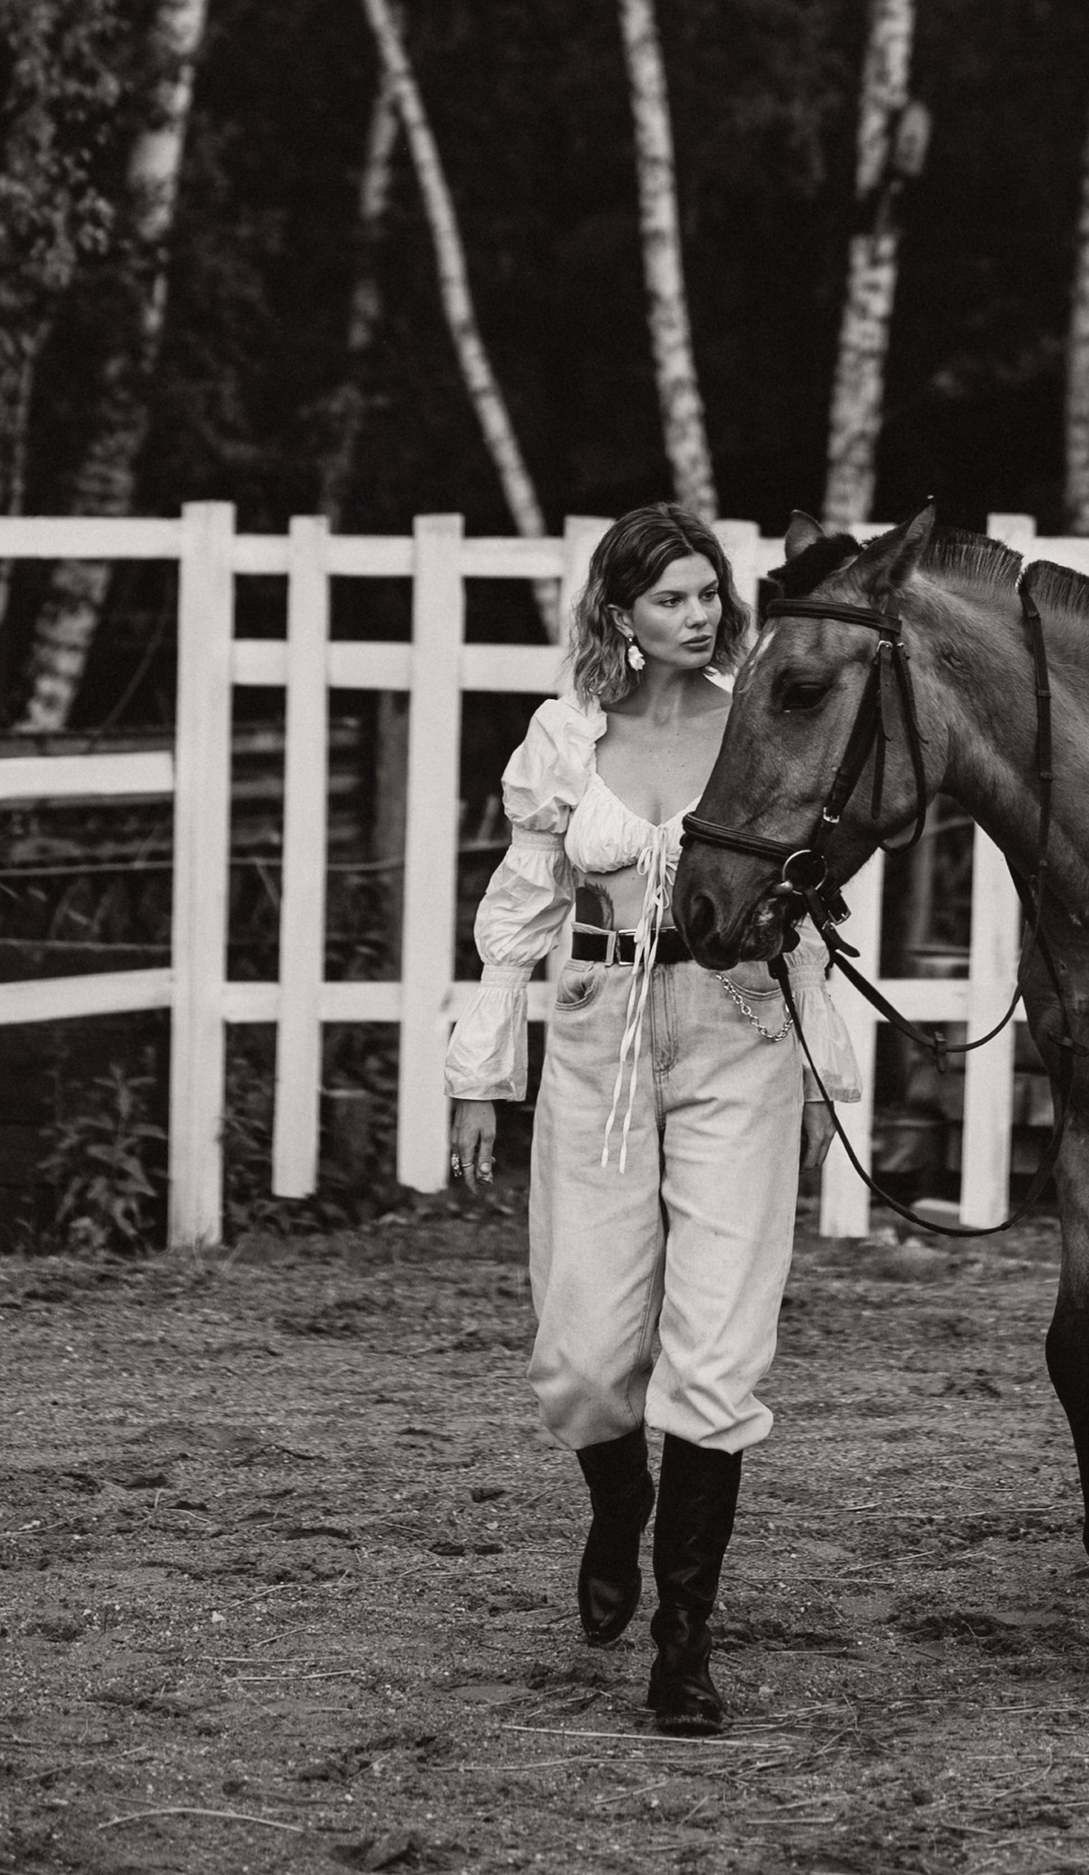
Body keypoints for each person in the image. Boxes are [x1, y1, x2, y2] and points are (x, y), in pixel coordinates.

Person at [446, 504, 855, 1736]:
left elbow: (806, 921)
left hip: (739, 1026)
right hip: (596, 1028)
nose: (696, 613)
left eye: (707, 593)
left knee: (716, 1350)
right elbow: (521, 906)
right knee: (580, 1358)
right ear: (619, 613)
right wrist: (479, 1072)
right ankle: (617, 1502)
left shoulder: (761, 724)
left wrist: (823, 1071)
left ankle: (685, 1640)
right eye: (669, 597)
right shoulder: (568, 735)